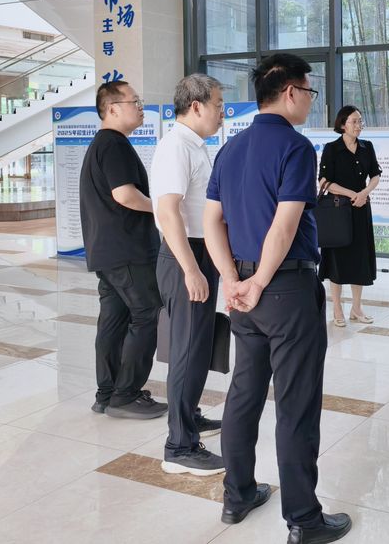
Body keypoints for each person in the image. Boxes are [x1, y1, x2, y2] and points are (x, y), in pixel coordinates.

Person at [205, 53, 352, 543]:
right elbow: (285, 226)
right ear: (290, 92)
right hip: (284, 289)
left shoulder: (230, 148)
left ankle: (237, 495)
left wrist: (233, 280)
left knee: (244, 395)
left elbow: (212, 221)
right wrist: (260, 281)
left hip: (244, 293)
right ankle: (304, 520)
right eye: (309, 91)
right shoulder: (296, 147)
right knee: (296, 404)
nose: (310, 100)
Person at [150, 73, 226, 476]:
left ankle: (190, 417)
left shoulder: (196, 145)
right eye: (218, 105)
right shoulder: (176, 147)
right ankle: (179, 447)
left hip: (199, 253)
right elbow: (168, 212)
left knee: (198, 348)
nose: (222, 112)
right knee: (185, 351)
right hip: (185, 257)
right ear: (196, 106)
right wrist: (191, 269)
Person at [79, 81, 166, 419]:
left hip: (108, 251)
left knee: (113, 321)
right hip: (128, 250)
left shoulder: (102, 144)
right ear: (113, 109)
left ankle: (107, 392)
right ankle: (126, 395)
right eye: (135, 102)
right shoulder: (114, 144)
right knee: (147, 314)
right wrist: (162, 209)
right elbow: (125, 195)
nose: (141, 107)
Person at [319, 105, 381, 327]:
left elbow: (375, 175)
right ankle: (337, 307)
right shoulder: (331, 149)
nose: (358, 125)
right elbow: (324, 182)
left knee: (359, 258)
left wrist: (364, 193)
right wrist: (351, 193)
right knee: (337, 259)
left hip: (361, 208)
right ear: (342, 124)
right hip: (338, 210)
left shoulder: (367, 147)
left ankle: (356, 307)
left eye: (360, 121)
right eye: (354, 121)